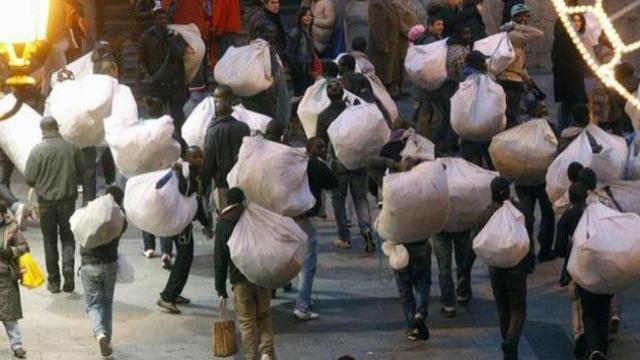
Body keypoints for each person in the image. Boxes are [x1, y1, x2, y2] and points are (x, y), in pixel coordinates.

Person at [474, 176, 535, 360]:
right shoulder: (520, 210)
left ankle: (508, 346)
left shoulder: (484, 215)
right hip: (517, 268)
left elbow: (477, 238)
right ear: (508, 192)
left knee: (502, 307)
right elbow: (528, 234)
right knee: (517, 308)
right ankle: (511, 341)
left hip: (496, 268)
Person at [25, 117, 85, 294]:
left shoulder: (37, 151)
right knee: (68, 237)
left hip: (46, 204)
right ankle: (68, 271)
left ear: (42, 130)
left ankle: (54, 281)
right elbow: (84, 171)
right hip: (67, 202)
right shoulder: (72, 147)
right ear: (57, 128)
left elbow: (29, 178)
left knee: (49, 241)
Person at [214, 188, 275, 360]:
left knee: (247, 323)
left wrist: (220, 288)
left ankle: (250, 357)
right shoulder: (254, 218)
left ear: (227, 203)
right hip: (261, 276)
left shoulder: (224, 224)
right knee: (264, 316)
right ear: (243, 201)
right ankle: (266, 353)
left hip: (240, 280)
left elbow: (220, 258)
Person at [315, 81, 374, 252]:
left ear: (328, 96)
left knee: (338, 198)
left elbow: (321, 142)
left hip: (339, 161)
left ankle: (344, 237)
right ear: (343, 94)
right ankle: (367, 231)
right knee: (360, 198)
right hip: (359, 160)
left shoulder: (324, 115)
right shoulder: (353, 111)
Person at [157, 147, 213, 314]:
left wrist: (205, 224)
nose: (200, 160)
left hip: (183, 222)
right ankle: (167, 296)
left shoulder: (195, 176)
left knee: (185, 258)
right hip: (180, 225)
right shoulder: (185, 176)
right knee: (183, 259)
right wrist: (181, 173)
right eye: (195, 157)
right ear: (187, 159)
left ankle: (174, 293)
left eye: (201, 156)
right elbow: (187, 196)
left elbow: (194, 204)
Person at [293, 137, 338, 321]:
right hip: (304, 218)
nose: (323, 149)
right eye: (319, 146)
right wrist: (323, 163)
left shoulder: (297, 162)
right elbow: (333, 182)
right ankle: (302, 306)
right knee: (308, 263)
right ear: (310, 149)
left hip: (288, 216)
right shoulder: (314, 165)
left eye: (324, 146)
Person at [79, 185, 126, 358]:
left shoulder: (92, 212)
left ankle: (100, 334)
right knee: (107, 304)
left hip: (90, 264)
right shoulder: (121, 218)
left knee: (92, 305)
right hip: (110, 264)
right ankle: (108, 339)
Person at [514, 102, 556, 262]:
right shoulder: (549, 127)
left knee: (527, 217)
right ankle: (544, 250)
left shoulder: (520, 129)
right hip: (544, 181)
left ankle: (528, 254)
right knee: (548, 215)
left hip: (524, 182)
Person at [138, 9, 188, 133]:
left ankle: (180, 141)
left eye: (165, 18)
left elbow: (179, 53)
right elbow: (141, 59)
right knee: (157, 116)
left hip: (175, 82)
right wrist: (146, 74)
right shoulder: (146, 37)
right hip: (157, 83)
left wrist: (172, 40)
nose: (163, 21)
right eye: (160, 19)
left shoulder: (174, 35)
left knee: (178, 116)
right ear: (154, 20)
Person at [203, 86, 251, 213]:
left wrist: (203, 187)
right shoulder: (244, 127)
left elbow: (208, 163)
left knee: (226, 216)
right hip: (241, 182)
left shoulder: (212, 132)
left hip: (222, 184)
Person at [497, 4, 544, 129]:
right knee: (513, 115)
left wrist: (528, 78)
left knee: (514, 113)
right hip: (510, 80)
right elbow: (539, 33)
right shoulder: (514, 36)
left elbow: (519, 63)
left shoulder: (514, 35)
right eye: (524, 17)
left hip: (514, 79)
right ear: (517, 18)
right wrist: (517, 26)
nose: (526, 20)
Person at [432, 23, 471, 155]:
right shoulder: (459, 52)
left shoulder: (450, 45)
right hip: (453, 85)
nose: (468, 36)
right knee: (452, 117)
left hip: (445, 84)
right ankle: (448, 145)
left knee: (447, 116)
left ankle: (438, 142)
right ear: (459, 35)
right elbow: (461, 74)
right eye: (465, 34)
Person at [243, 20, 291, 127]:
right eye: (270, 32)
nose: (273, 34)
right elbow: (281, 91)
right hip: (267, 101)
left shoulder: (248, 50)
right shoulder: (269, 53)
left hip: (251, 100)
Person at [0, 200, 29, 359]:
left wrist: (11, 251)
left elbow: (25, 247)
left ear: (3, 214)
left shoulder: (12, 227)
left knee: (10, 316)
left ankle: (17, 345)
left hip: (6, 276)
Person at [552, 10, 588, 133]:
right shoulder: (565, 40)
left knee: (568, 109)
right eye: (574, 20)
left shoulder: (579, 38)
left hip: (574, 79)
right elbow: (559, 60)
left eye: (579, 20)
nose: (577, 23)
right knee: (569, 110)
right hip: (569, 81)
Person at [368, 0, 410, 98]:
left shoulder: (387, 3)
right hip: (385, 44)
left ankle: (393, 90)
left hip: (392, 43)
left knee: (391, 69)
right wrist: (382, 45)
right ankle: (386, 93)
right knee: (384, 69)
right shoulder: (377, 3)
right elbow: (377, 26)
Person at [459, 50, 493, 169]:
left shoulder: (464, 75)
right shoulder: (479, 79)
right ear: (478, 64)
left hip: (466, 122)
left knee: (472, 158)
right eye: (483, 61)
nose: (485, 63)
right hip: (479, 120)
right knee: (487, 152)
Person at [413, 17, 445, 137]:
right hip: (428, 81)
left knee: (426, 109)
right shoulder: (431, 41)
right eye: (438, 24)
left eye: (442, 24)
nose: (441, 27)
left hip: (425, 81)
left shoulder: (428, 38)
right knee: (426, 111)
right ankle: (422, 137)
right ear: (430, 26)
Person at [285, 7, 318, 97]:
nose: (308, 17)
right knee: (301, 95)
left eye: (310, 15)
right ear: (300, 17)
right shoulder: (295, 33)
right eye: (305, 15)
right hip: (300, 69)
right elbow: (288, 53)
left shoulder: (309, 32)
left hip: (308, 68)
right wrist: (295, 67)